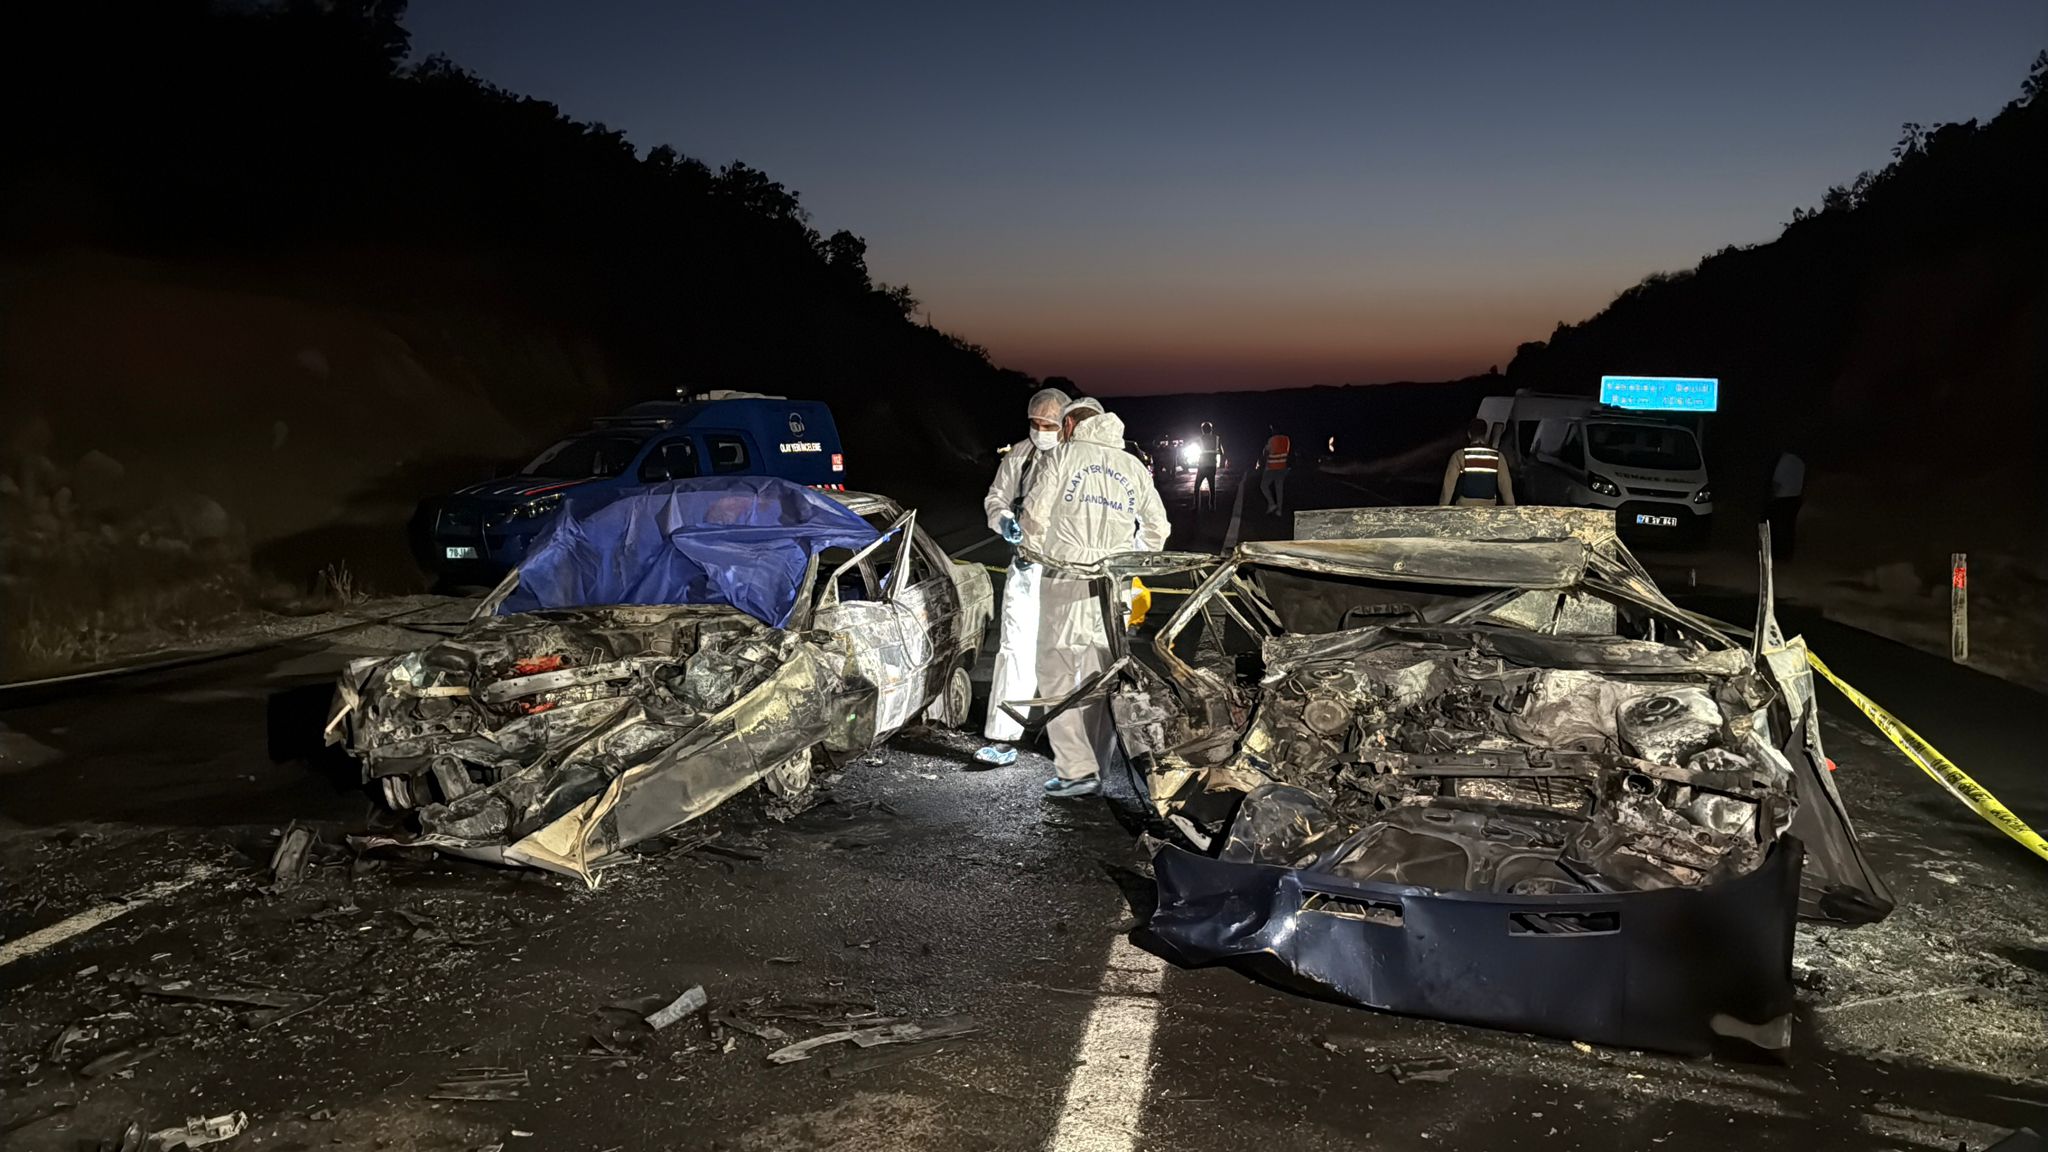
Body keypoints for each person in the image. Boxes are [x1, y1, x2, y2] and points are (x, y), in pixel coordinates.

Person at [1017, 397, 1169, 797]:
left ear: (1069, 427)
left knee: (1057, 672)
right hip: (1111, 586)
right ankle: (1098, 767)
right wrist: (1126, 560)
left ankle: (1076, 770)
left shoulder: (1063, 457)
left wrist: (1030, 553)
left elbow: (1033, 515)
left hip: (1065, 581)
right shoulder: (1133, 466)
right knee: (1101, 674)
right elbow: (1157, 529)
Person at [973, 386, 1070, 767]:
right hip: (1027, 567)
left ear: (1065, 423)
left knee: (1065, 653)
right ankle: (1003, 736)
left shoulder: (1076, 458)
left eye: (1049, 423)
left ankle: (1064, 742)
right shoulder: (1021, 455)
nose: (1041, 429)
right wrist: (1004, 521)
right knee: (1014, 647)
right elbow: (995, 497)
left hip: (1067, 571)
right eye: (1036, 423)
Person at [1439, 419, 1515, 507]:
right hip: (1489, 507)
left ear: (1469, 434)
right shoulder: (1497, 457)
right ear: (1485, 434)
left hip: (1464, 506)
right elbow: (1506, 487)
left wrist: (1442, 507)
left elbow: (1448, 487)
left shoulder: (1459, 455)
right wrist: (1511, 508)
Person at [1767, 449, 1805, 562]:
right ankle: (1788, 554)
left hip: (1782, 498)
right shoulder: (1800, 462)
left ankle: (1778, 555)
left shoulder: (1784, 461)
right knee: (1790, 528)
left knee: (1778, 528)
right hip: (1796, 498)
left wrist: (1771, 497)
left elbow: (1776, 483)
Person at [1260, 424, 1291, 515]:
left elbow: (1266, 452)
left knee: (1263, 486)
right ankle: (1279, 510)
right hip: (1282, 467)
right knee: (1279, 488)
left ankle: (1272, 504)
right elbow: (1287, 452)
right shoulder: (1287, 439)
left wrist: (1265, 448)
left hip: (1272, 467)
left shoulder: (1272, 439)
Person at [1193, 421, 1223, 511]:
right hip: (1212, 465)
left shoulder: (1200, 439)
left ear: (1202, 430)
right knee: (1212, 486)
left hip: (1202, 465)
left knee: (1196, 486)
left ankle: (1196, 506)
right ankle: (1212, 506)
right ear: (1211, 429)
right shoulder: (1216, 438)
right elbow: (1221, 452)